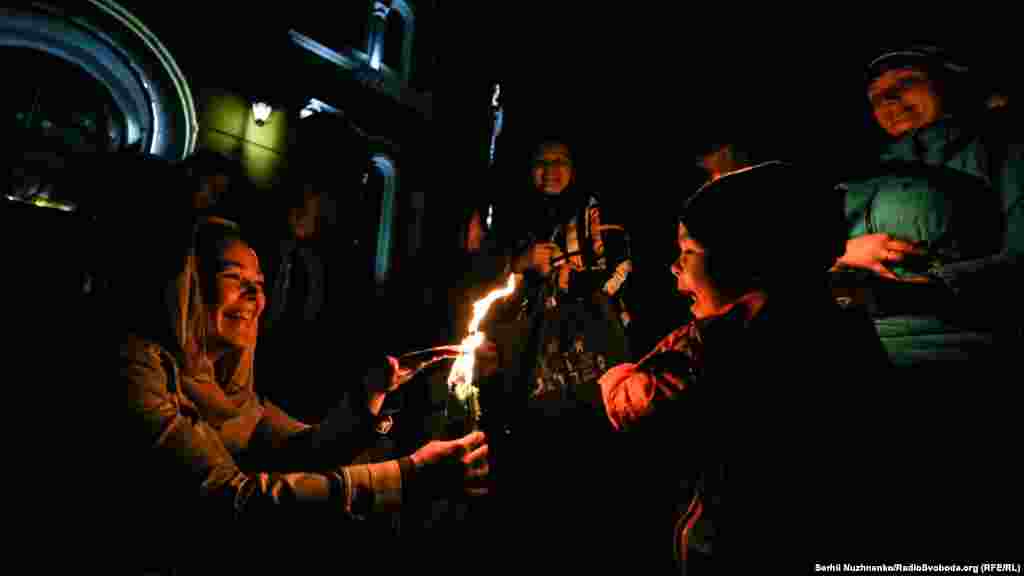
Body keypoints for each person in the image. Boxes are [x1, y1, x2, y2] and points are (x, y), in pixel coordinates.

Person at [112, 215, 488, 570]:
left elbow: (305, 450)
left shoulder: (230, 386)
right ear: (188, 287)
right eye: (233, 277)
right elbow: (231, 500)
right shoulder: (137, 370)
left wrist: (371, 395)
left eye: (259, 285)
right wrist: (408, 477)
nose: (254, 297)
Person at [596, 161, 894, 571]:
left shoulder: (722, 347)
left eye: (688, 253)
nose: (677, 269)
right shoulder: (840, 325)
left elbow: (638, 406)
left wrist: (616, 376)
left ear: (743, 261)